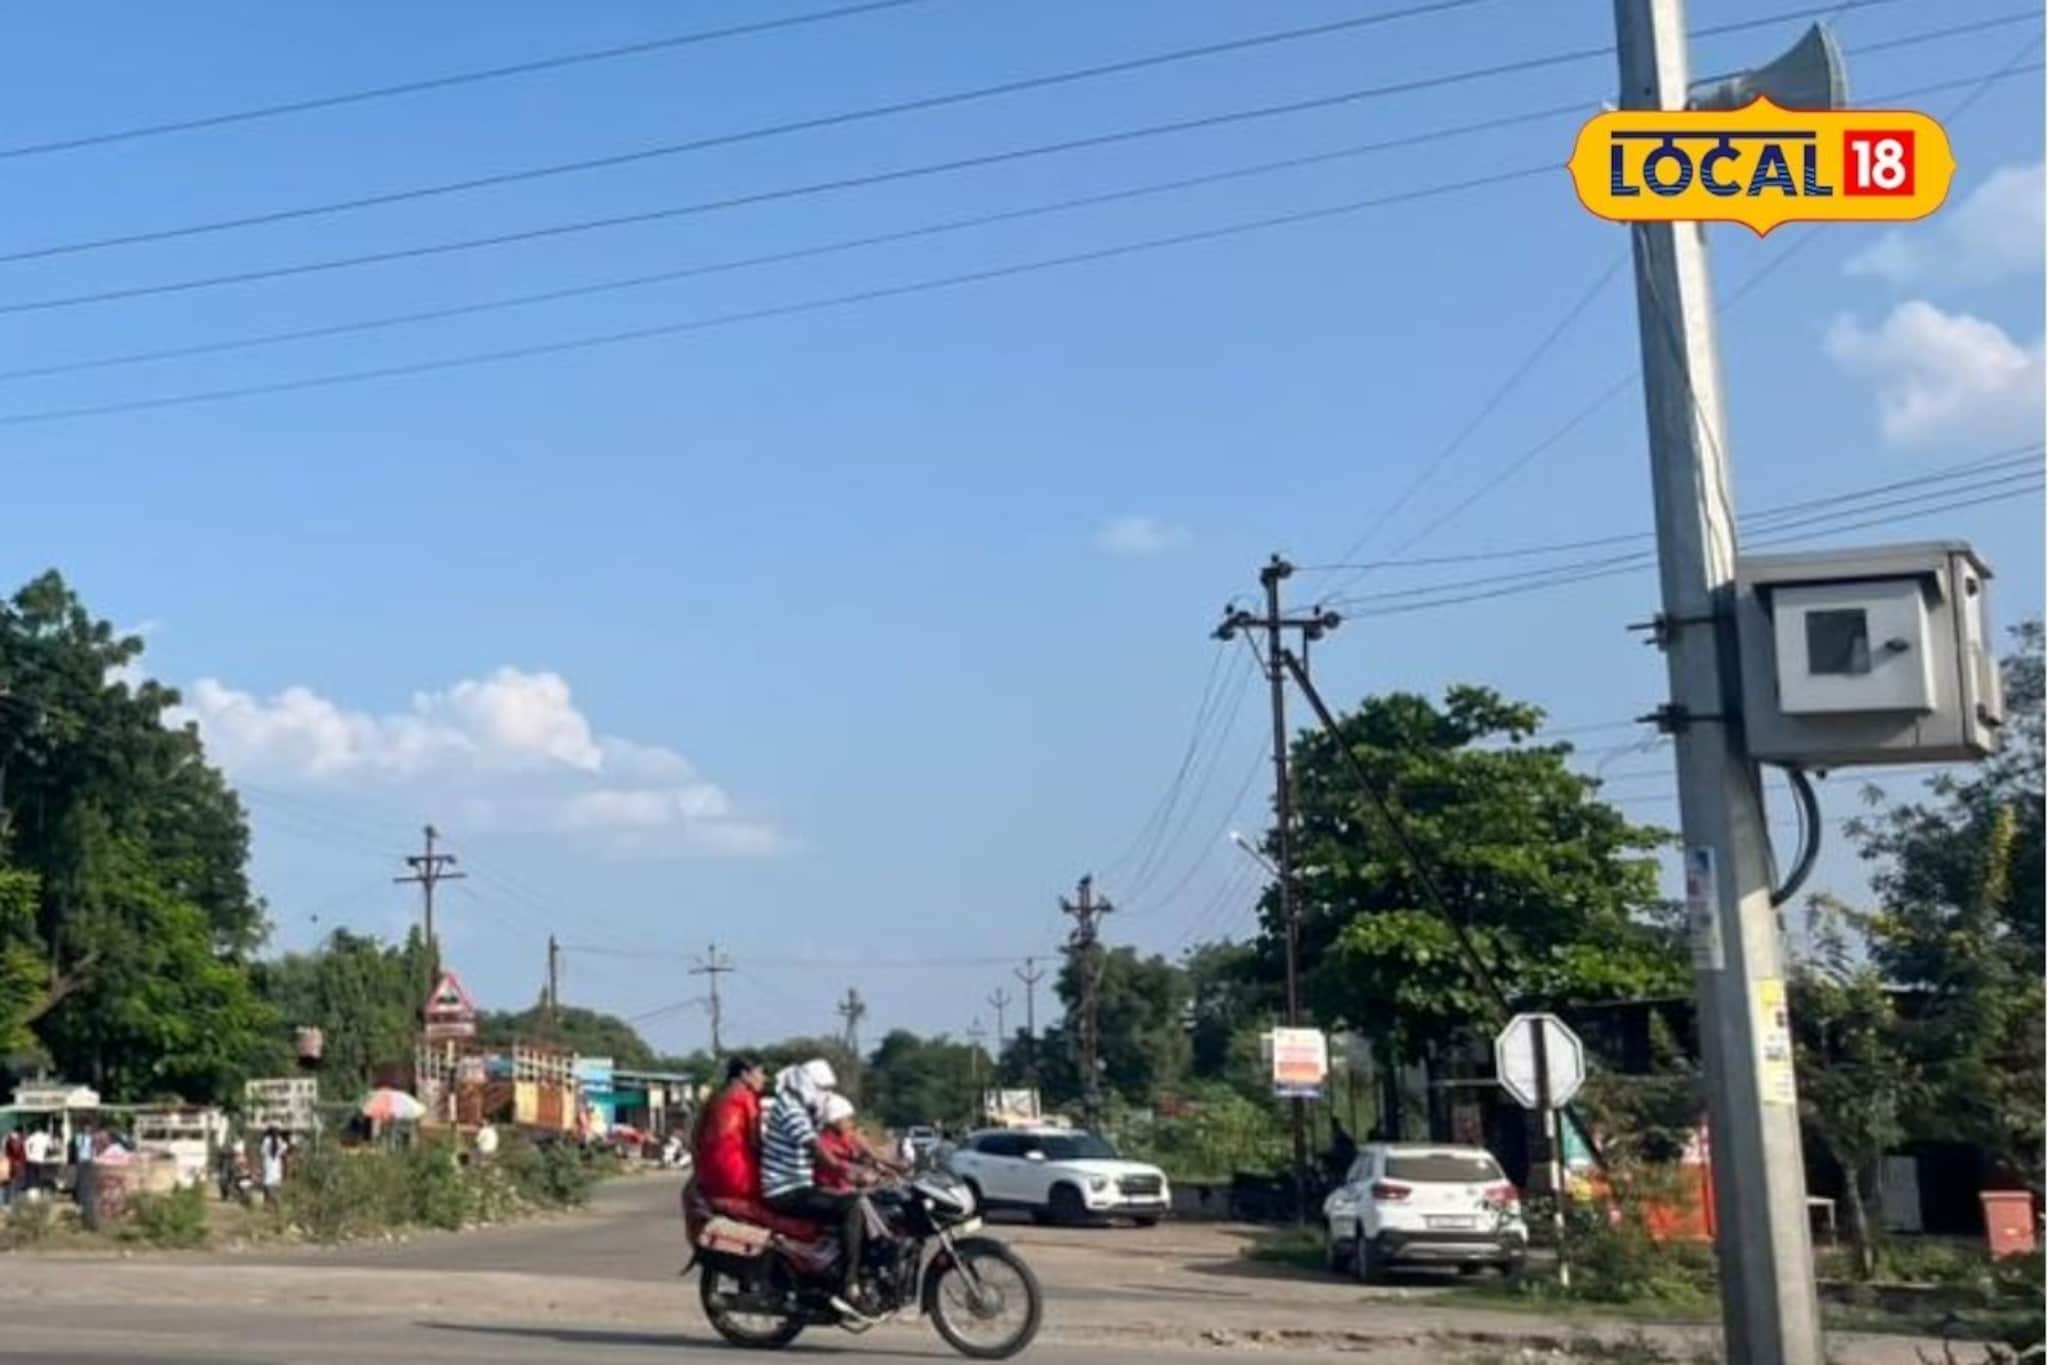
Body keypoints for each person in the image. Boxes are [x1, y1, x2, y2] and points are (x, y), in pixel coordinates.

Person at [760, 1060, 867, 1318]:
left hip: (800, 1185)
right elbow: (815, 1149)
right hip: (784, 1190)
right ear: (807, 1084)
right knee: (851, 1205)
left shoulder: (801, 1108)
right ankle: (849, 1285)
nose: (825, 1094)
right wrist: (846, 1170)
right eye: (822, 1088)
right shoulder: (790, 1110)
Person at [692, 1055, 769, 1206]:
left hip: (707, 1175)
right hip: (737, 1176)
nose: (764, 1078)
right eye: (760, 1073)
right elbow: (755, 1142)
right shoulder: (747, 1098)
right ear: (744, 1075)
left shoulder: (714, 1098)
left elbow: (695, 1137)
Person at [259, 1126, 290, 1209]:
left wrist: (261, 1168)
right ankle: (274, 1205)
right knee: (275, 1186)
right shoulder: (280, 1141)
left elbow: (262, 1153)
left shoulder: (266, 1141)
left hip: (268, 1163)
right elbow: (285, 1152)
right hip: (277, 1165)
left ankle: (271, 1205)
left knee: (267, 1186)